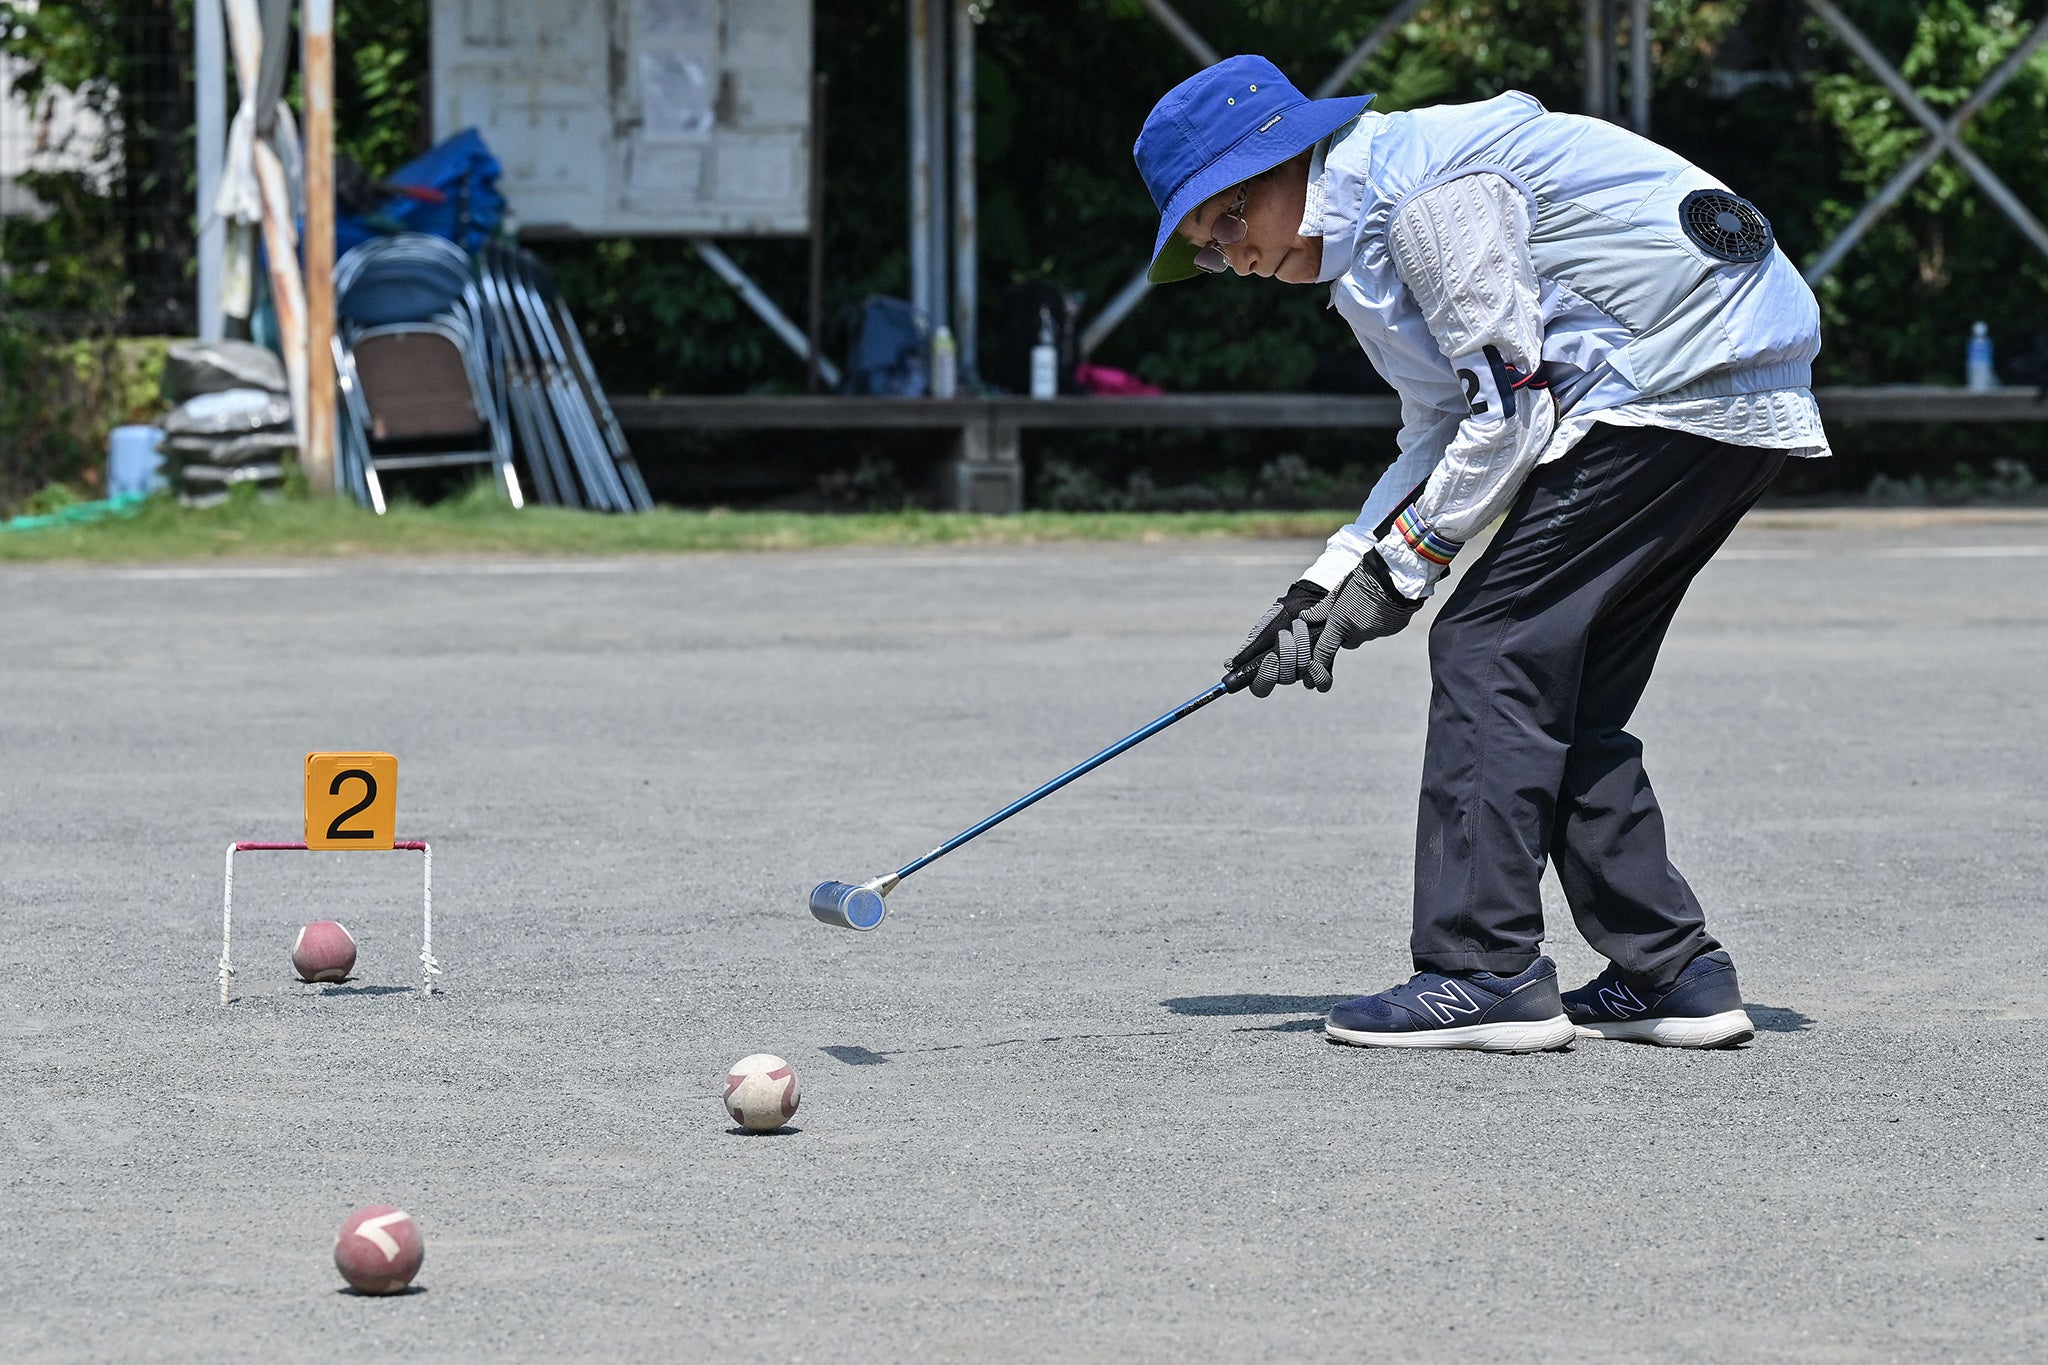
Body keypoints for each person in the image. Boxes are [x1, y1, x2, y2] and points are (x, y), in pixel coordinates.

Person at [1133, 56, 1830, 1052]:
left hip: (1670, 380)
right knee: (1557, 679)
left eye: (1229, 220)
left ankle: (1478, 970)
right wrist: (1322, 581)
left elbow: (1509, 411)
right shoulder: (1365, 256)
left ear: (1287, 163)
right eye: (1206, 250)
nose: (1230, 257)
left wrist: (1397, 574)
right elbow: (1439, 424)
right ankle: (1670, 972)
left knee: (1486, 648)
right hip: (1715, 397)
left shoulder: (1428, 202)